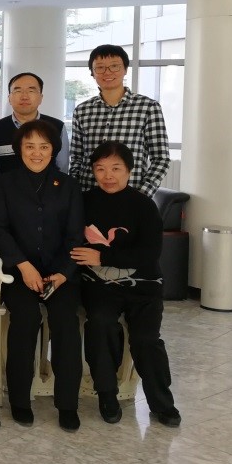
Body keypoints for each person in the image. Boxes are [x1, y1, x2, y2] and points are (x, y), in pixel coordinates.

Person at [72, 140, 180, 428]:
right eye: (100, 169)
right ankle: (107, 394)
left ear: (130, 171)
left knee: (146, 339)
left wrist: (103, 256)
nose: (108, 175)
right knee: (100, 323)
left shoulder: (144, 205)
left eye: (116, 168)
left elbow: (150, 254)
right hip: (98, 284)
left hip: (143, 285)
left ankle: (162, 402)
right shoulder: (84, 202)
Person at [0, 120, 84, 432]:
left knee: (66, 322)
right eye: (29, 146)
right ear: (19, 149)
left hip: (60, 275)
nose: (36, 152)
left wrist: (62, 273)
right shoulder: (5, 184)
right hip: (20, 273)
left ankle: (67, 404)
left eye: (44, 146)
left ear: (54, 150)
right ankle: (19, 400)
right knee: (25, 319)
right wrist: (23, 265)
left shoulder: (68, 185)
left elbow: (75, 236)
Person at [69, 44, 171, 197]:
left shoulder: (147, 107)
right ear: (92, 73)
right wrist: (75, 194)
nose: (107, 72)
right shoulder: (82, 110)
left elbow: (161, 159)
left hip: (131, 196)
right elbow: (77, 158)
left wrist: (141, 195)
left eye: (114, 66)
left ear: (125, 69)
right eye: (100, 67)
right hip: (88, 195)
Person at [0, 72, 69, 194]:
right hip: (7, 199)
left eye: (31, 91)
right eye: (17, 91)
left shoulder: (57, 127)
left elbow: (62, 169)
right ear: (9, 98)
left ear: (41, 97)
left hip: (48, 199)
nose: (24, 96)